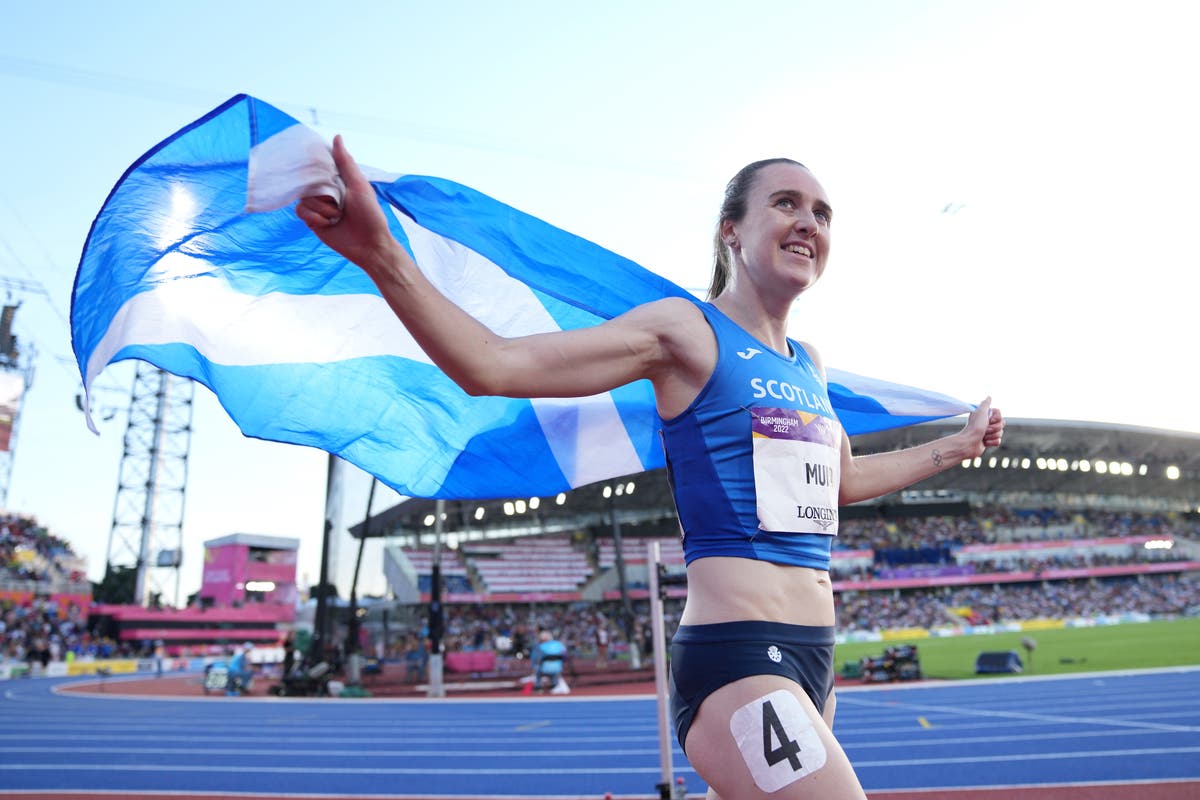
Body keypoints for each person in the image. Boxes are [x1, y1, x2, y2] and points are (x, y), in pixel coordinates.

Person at [298, 142, 1004, 799]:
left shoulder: (808, 364)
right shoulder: (685, 332)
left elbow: (844, 482)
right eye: (785, 203)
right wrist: (380, 254)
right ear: (732, 230)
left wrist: (959, 446)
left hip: (814, 657)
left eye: (822, 212)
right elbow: (495, 365)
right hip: (738, 660)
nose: (808, 222)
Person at [530, 629, 568, 694]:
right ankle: (554, 684)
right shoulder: (559, 644)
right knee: (553, 669)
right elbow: (565, 656)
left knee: (538, 669)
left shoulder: (540, 646)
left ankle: (538, 687)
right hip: (558, 668)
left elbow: (536, 659)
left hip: (544, 669)